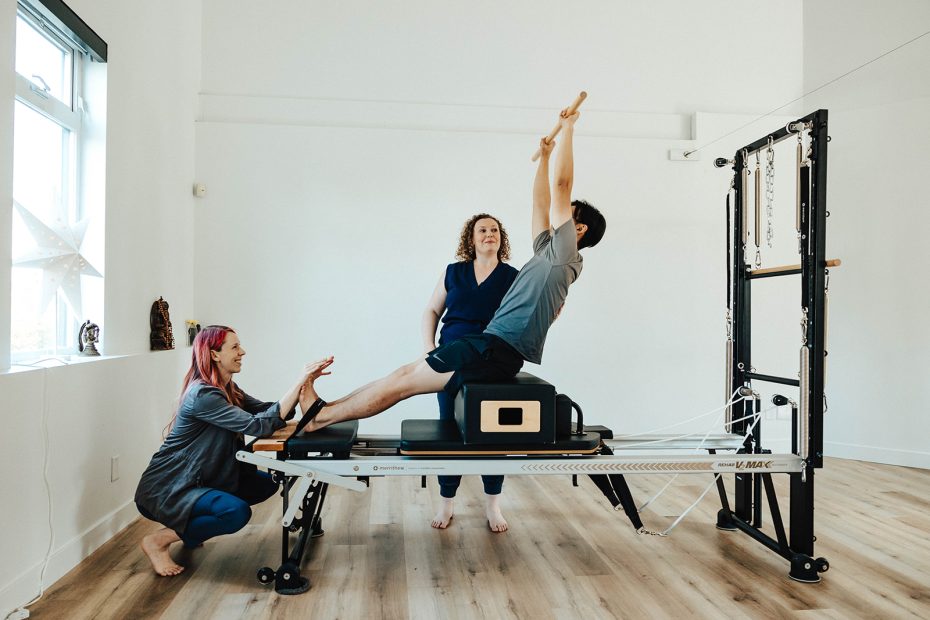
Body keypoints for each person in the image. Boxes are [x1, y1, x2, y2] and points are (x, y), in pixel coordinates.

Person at [301, 109, 606, 509]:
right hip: (487, 345)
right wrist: (545, 155)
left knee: (403, 382)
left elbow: (562, 188)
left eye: (569, 218)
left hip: (496, 350)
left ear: (578, 231)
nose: (559, 218)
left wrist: (568, 130)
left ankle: (320, 417)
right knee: (403, 374)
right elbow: (541, 199)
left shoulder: (565, 255)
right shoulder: (547, 251)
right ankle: (322, 410)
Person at [134, 325, 333, 576]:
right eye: (235, 347)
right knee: (236, 512)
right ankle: (158, 541)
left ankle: (193, 530)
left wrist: (303, 387)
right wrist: (298, 382)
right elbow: (259, 425)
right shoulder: (203, 394)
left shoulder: (228, 388)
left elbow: (266, 410)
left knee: (266, 484)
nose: (243, 352)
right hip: (168, 487)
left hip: (201, 477)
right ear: (215, 354)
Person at [422, 213, 518, 531]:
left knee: (492, 434)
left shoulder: (513, 276)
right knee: (449, 429)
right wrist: (429, 349)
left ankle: (493, 506)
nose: (488, 234)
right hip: (451, 357)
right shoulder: (454, 272)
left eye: (494, 230)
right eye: (482, 230)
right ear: (471, 238)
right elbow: (432, 309)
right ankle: (446, 503)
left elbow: (527, 317)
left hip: (491, 360)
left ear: (500, 238)